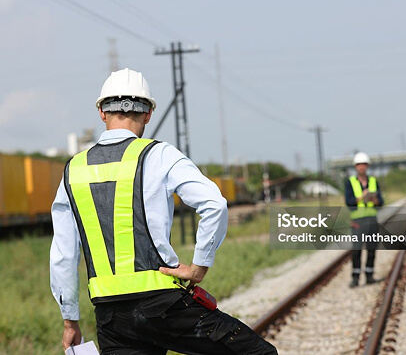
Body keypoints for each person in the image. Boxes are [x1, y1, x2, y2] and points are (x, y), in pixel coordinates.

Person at [50, 68, 277, 355]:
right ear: (148, 114)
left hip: (111, 319)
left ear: (101, 112)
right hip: (164, 308)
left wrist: (70, 320)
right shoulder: (158, 154)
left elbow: (62, 254)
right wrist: (199, 266)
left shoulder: (73, 170)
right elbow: (214, 204)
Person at [344, 152, 384, 288]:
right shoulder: (350, 182)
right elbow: (349, 202)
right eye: (359, 165)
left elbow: (381, 202)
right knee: (356, 250)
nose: (362, 167)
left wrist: (375, 199)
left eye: (364, 165)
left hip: (372, 218)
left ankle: (369, 275)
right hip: (357, 221)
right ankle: (355, 278)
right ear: (356, 167)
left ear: (367, 166)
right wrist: (362, 197)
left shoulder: (373, 181)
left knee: (372, 249)